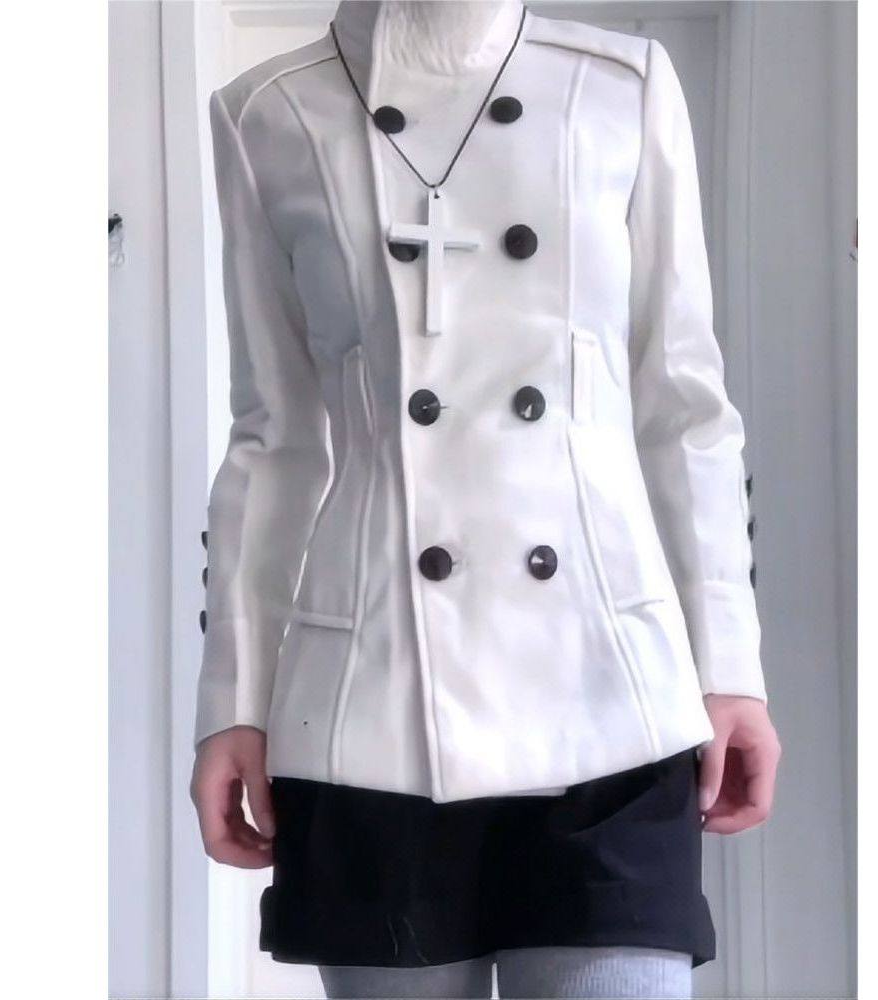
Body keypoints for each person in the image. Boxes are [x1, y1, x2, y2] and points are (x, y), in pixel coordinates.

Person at [190, 2, 782, 997]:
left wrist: (729, 664)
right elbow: (272, 438)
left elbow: (683, 409)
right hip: (368, 711)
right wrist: (233, 699)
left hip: (612, 696)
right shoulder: (266, 115)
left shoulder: (621, 87)